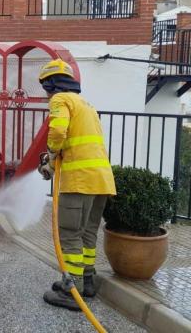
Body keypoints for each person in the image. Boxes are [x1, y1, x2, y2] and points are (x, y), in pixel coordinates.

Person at [37, 59, 116, 310]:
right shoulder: (87, 105)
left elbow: (58, 133)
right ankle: (87, 281)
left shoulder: (60, 101)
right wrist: (52, 162)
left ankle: (73, 291)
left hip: (78, 180)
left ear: (51, 83)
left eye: (45, 86)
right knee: (88, 233)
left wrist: (50, 155)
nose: (46, 93)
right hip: (101, 179)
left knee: (70, 234)